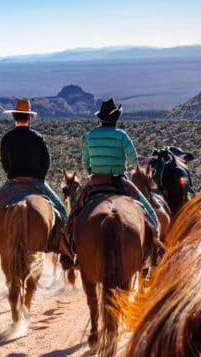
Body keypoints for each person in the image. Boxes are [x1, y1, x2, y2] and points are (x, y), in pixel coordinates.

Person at [60, 97, 160, 269]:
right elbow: (134, 160)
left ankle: (69, 254)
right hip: (118, 180)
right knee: (150, 215)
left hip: (96, 181)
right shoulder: (121, 135)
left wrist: (93, 169)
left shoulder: (89, 136)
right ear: (116, 119)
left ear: (100, 119)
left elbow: (85, 162)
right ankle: (154, 252)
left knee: (73, 216)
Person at [0, 98, 68, 270]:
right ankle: (65, 252)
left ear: (15, 118)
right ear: (29, 118)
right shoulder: (37, 137)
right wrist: (39, 178)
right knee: (62, 212)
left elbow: (5, 162)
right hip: (36, 182)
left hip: (13, 182)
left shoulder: (7, 138)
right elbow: (46, 162)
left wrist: (12, 176)